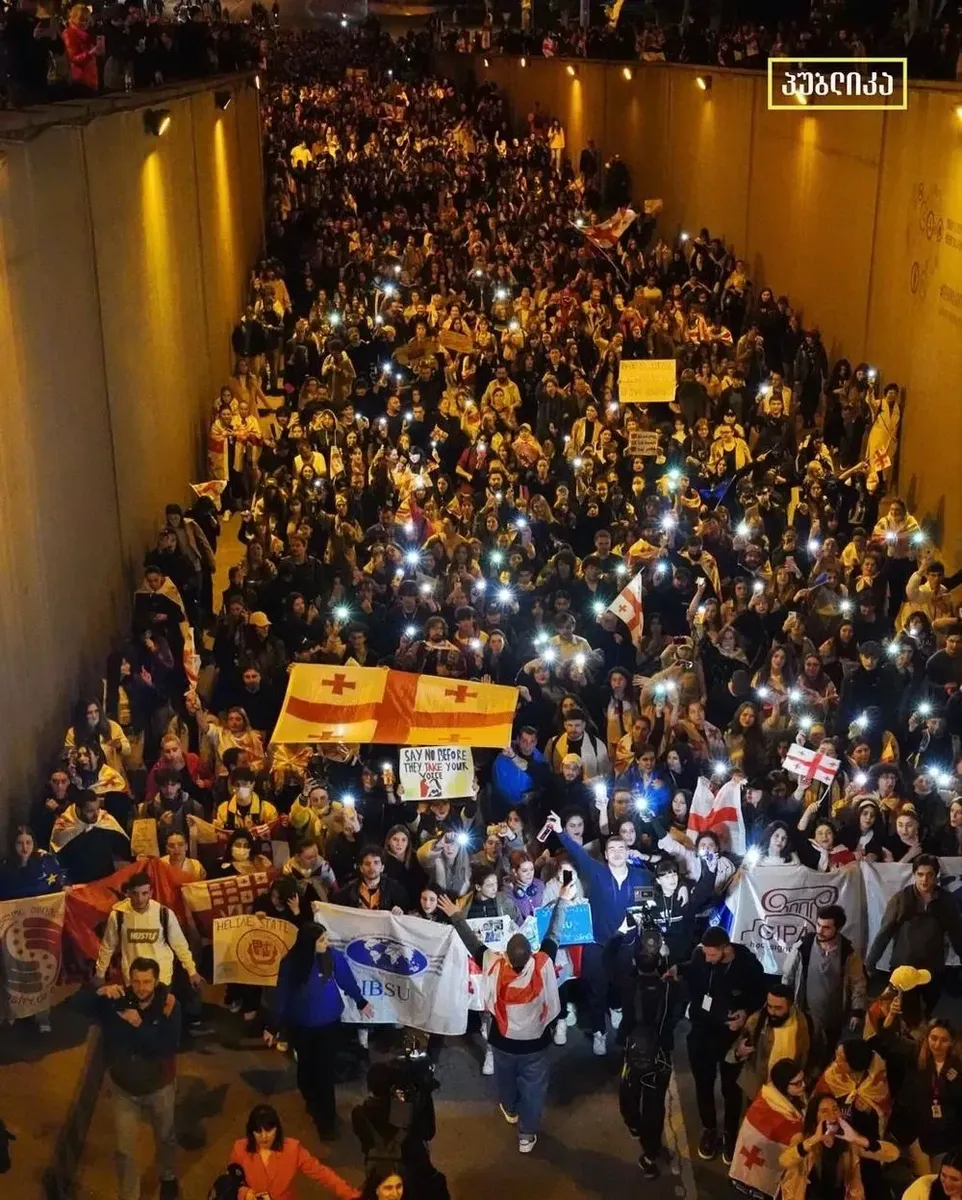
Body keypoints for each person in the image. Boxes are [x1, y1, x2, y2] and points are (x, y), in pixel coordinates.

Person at [439, 884, 571, 1154]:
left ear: (508, 958)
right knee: (533, 1090)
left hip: (502, 1042)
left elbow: (473, 944)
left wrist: (455, 915)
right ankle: (526, 1135)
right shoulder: (543, 963)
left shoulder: (495, 965)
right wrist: (562, 900)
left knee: (506, 1079)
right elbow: (554, 932)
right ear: (531, 954)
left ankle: (510, 1109)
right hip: (535, 1046)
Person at [545, 809, 654, 1056]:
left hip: (626, 946)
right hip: (597, 945)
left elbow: (649, 903)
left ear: (628, 852)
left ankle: (616, 1010)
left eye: (621, 849)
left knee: (622, 989)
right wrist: (561, 830)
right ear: (605, 855)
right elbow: (576, 853)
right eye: (612, 850)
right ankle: (598, 1033)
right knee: (596, 991)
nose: (617, 853)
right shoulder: (596, 871)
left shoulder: (641, 877)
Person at [89, 958, 181, 1200]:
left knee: (165, 1137)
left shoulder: (170, 1005)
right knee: (125, 1150)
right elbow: (78, 1006)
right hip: (123, 1089)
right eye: (137, 981)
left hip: (159, 1087)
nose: (141, 988)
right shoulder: (118, 999)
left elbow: (165, 1046)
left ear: (157, 981)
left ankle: (168, 1176)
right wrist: (100, 991)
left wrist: (137, 1023)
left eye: (147, 982)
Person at [676, 926, 766, 1163]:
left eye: (712, 954)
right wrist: (678, 968)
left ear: (726, 949)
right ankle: (709, 1129)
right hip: (701, 1034)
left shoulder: (748, 965)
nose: (707, 958)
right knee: (703, 1085)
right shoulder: (701, 957)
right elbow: (692, 968)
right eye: (704, 953)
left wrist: (746, 1013)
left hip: (730, 1038)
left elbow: (761, 995)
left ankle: (730, 1132)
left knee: (731, 1088)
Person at [274, 922, 373, 1138]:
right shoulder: (291, 965)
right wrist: (274, 1026)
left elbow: (346, 979)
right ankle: (311, 1100)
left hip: (329, 1024)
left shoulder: (332, 957)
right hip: (301, 1026)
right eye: (322, 940)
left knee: (325, 1072)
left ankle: (326, 1119)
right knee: (307, 1067)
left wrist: (361, 1001)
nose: (326, 943)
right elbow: (281, 996)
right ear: (309, 943)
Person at [618, 925, 683, 1178]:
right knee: (655, 1107)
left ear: (635, 960)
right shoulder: (672, 989)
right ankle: (650, 1152)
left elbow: (609, 959)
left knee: (628, 1096)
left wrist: (621, 934)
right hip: (661, 1055)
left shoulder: (627, 984)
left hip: (633, 1054)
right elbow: (678, 1012)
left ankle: (635, 1126)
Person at [865, 855, 962, 1015]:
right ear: (914, 874)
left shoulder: (946, 901)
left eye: (930, 875)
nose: (925, 880)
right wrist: (870, 963)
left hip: (932, 969)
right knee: (902, 1015)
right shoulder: (901, 899)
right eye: (920, 874)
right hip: (903, 968)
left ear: (936, 875)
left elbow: (957, 934)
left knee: (929, 1014)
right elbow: (884, 933)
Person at [781, 904, 867, 1066]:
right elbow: (788, 976)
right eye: (818, 925)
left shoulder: (847, 952)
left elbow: (858, 983)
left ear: (837, 929)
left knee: (828, 1058)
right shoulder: (804, 946)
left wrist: (857, 1011)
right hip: (805, 1014)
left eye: (826, 927)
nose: (820, 930)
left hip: (834, 1018)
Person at [777, 1092, 897, 1200]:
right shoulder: (803, 1140)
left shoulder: (850, 1141)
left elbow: (893, 1154)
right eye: (824, 1111)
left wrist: (858, 1139)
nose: (832, 1115)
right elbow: (784, 1161)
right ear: (815, 1117)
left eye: (835, 1109)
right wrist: (814, 1139)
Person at [227, 1104, 359, 1200]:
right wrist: (245, 1193)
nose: (264, 1137)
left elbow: (321, 1173)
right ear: (251, 1132)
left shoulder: (292, 1149)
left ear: (277, 1129)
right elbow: (232, 1180)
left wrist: (350, 1194)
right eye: (258, 1131)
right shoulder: (239, 1149)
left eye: (268, 1130)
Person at [729, 1058, 807, 1200]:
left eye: (803, 1080)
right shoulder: (765, 1106)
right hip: (763, 1166)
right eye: (797, 1083)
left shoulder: (790, 1098)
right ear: (783, 1085)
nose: (804, 1085)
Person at [733, 984, 814, 1106]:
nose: (772, 1012)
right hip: (759, 1093)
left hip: (792, 1095)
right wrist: (739, 1052)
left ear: (790, 1005)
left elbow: (818, 1055)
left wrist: (806, 1080)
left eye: (778, 1008)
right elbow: (735, 1050)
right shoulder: (756, 1021)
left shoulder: (806, 1024)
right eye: (769, 1006)